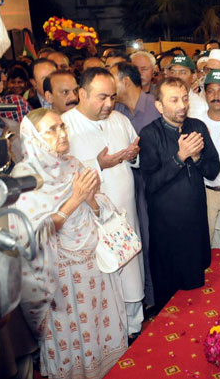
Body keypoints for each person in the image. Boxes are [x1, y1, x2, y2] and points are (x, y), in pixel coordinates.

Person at [8, 109, 127, 379]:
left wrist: (90, 199)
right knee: (70, 333)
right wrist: (75, 199)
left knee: (100, 326)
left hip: (95, 266)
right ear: (34, 137)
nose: (62, 133)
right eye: (52, 129)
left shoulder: (74, 164)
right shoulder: (23, 178)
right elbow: (32, 235)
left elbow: (100, 206)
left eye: (63, 126)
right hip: (60, 276)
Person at [61, 67, 144, 338]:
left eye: (112, 96)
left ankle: (133, 330)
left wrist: (132, 156)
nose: (109, 103)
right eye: (101, 97)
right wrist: (99, 164)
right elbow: (60, 173)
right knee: (102, 283)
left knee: (131, 276)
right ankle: (108, 338)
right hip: (88, 226)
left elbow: (135, 158)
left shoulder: (120, 120)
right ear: (81, 94)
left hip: (124, 218)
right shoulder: (65, 127)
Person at [138, 77, 220, 310]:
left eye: (184, 98)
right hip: (166, 229)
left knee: (196, 293)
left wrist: (197, 157)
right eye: (174, 100)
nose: (182, 105)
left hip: (195, 224)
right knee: (169, 298)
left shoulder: (198, 127)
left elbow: (213, 171)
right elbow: (150, 184)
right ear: (160, 106)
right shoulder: (150, 134)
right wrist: (180, 157)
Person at [110, 61, 161, 309]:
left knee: (155, 243)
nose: (109, 87)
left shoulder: (155, 107)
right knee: (138, 243)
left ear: (126, 82)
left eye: (112, 79)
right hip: (132, 190)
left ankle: (158, 298)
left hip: (159, 189)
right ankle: (145, 300)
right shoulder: (115, 113)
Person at [195, 70, 220, 248]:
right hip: (205, 193)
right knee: (203, 246)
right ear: (204, 94)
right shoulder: (195, 124)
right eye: (211, 91)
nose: (216, 96)